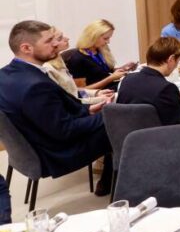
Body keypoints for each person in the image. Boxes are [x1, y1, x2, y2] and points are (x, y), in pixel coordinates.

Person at [0, 20, 113, 196]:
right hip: (56, 153)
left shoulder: (6, 73)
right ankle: (120, 185)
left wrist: (88, 110)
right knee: (125, 124)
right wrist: (110, 114)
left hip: (35, 145)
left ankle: (110, 180)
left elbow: (51, 114)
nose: (55, 44)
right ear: (26, 48)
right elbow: (65, 131)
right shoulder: (34, 86)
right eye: (48, 41)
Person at [64, 19, 135, 92]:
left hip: (112, 87)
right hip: (102, 93)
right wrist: (111, 78)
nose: (108, 42)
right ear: (93, 37)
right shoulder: (77, 59)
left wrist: (123, 68)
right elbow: (81, 91)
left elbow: (103, 73)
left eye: (109, 38)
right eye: (105, 38)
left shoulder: (100, 50)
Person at [45, 28, 111, 105]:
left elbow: (74, 91)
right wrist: (98, 99)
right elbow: (68, 100)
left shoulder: (59, 61)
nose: (67, 39)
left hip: (82, 104)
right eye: (60, 38)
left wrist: (96, 93)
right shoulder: (49, 68)